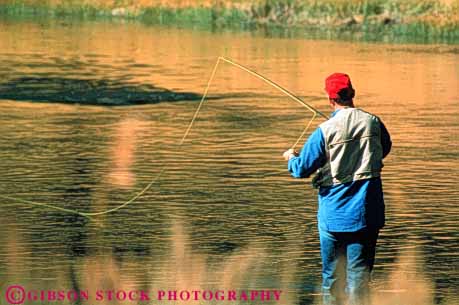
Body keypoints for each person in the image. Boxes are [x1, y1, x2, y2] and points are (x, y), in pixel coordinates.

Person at [283, 73, 392, 305]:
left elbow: (302, 170)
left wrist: (291, 157)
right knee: (359, 280)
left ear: (329, 98)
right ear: (352, 93)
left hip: (334, 215)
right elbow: (385, 147)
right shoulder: (373, 122)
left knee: (332, 278)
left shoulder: (324, 130)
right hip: (367, 213)